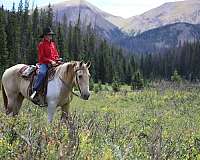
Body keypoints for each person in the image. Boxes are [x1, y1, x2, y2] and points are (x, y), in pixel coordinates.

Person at [30, 27, 60, 99]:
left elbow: (56, 54)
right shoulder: (41, 44)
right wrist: (50, 61)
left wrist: (57, 59)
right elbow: (42, 57)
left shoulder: (52, 44)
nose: (50, 36)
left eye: (51, 35)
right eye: (49, 35)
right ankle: (35, 90)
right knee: (42, 73)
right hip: (44, 63)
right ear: (45, 36)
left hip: (54, 63)